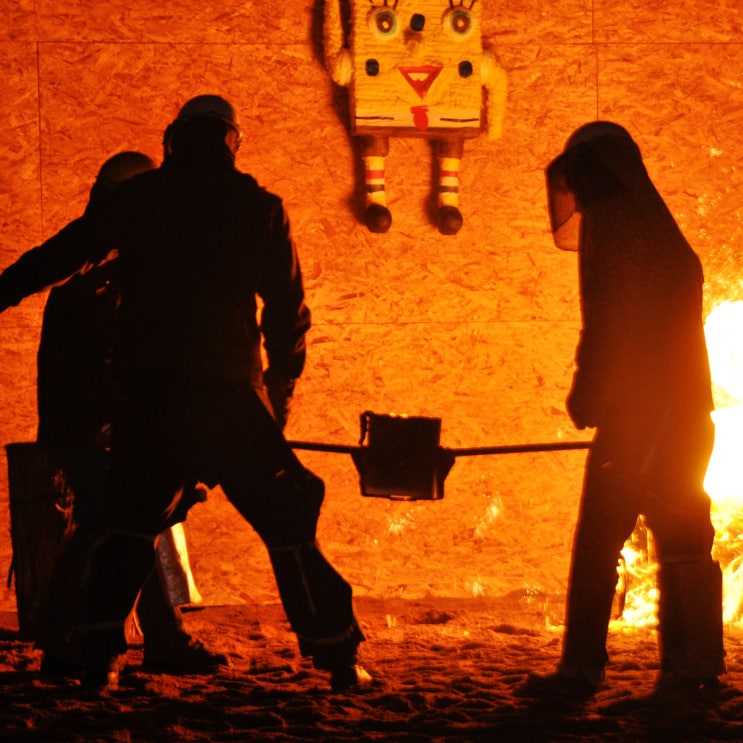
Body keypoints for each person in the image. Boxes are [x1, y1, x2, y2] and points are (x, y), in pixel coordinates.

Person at [0, 95, 368, 691]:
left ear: (173, 139)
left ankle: (92, 655)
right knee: (289, 519)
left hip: (150, 398)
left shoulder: (140, 202)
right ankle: (338, 656)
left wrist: (0, 292)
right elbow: (287, 315)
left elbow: (61, 256)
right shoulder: (260, 208)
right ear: (232, 142)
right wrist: (279, 397)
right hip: (228, 396)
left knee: (128, 525)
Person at [522, 121, 725, 701]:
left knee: (599, 543)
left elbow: (610, 324)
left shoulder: (615, 229)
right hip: (684, 415)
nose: (578, 193)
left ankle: (582, 671)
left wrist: (589, 393)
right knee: (686, 535)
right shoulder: (657, 228)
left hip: (641, 420)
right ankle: (696, 667)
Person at [35, 151, 227, 676]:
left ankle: (157, 635)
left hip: (95, 427)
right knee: (108, 531)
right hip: (100, 429)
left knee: (136, 525)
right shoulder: (106, 275)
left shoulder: (93, 263)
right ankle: (69, 641)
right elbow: (107, 363)